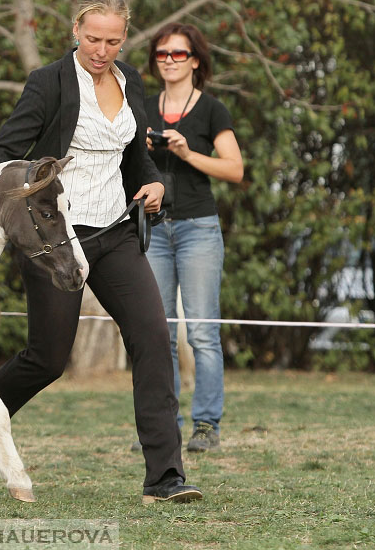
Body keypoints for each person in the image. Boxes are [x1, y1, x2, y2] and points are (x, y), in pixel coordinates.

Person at [0, 0, 202, 504]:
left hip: (116, 234)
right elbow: (6, 152)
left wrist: (154, 183)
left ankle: (165, 478)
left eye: (114, 40)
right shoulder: (49, 83)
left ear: (125, 38)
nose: (103, 50)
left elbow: (134, 153)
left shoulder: (132, 81)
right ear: (75, 31)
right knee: (47, 359)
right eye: (94, 38)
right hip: (56, 237)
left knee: (152, 339)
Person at [143, 23, 244, 452]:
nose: (169, 60)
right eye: (162, 54)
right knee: (156, 333)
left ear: (196, 61)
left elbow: (235, 169)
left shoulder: (212, 110)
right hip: (153, 230)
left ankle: (206, 426)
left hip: (198, 229)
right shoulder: (143, 107)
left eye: (178, 54)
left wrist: (187, 153)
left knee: (202, 332)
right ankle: (164, 425)